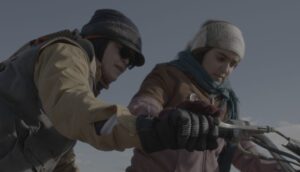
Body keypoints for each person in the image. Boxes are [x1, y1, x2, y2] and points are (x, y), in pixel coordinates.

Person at [0, 10, 222, 172]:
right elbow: (73, 106)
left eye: (132, 61)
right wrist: (148, 129)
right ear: (98, 40)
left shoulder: (81, 84)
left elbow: (60, 146)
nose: (126, 63)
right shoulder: (67, 53)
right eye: (123, 52)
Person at [126, 20, 282, 172]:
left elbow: (241, 150)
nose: (226, 69)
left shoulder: (225, 100)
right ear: (201, 52)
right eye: (221, 58)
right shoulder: (169, 75)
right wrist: (167, 120)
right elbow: (144, 103)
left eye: (233, 64)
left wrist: (278, 167)